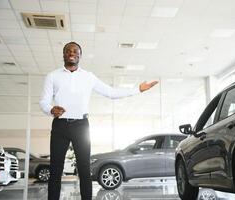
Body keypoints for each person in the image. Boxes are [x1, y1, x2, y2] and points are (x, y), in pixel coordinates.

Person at [39, 41, 158, 200]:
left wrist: (137, 90)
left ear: (80, 55)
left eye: (75, 50)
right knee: (55, 169)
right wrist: (51, 109)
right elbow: (44, 102)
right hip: (60, 125)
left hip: (81, 126)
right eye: (68, 50)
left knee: (84, 168)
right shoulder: (53, 76)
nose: (72, 52)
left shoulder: (88, 77)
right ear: (64, 54)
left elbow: (111, 93)